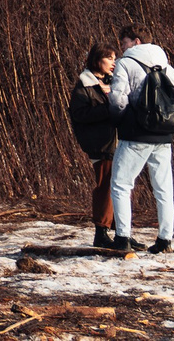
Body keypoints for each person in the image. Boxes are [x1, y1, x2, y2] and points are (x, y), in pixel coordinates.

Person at [105, 24, 174, 254]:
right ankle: (165, 239)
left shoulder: (126, 63)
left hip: (136, 134)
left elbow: (118, 99)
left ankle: (123, 237)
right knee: (163, 188)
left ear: (136, 41)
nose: (122, 48)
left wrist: (120, 120)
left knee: (121, 184)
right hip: (164, 135)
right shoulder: (167, 66)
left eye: (124, 43)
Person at [66, 45, 119, 249]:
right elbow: (79, 115)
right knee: (105, 185)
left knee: (120, 187)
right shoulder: (84, 85)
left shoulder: (113, 82)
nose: (113, 62)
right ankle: (101, 232)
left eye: (114, 58)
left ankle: (121, 232)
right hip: (100, 143)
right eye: (109, 58)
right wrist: (109, 108)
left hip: (118, 142)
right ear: (97, 60)